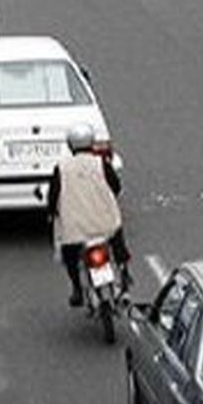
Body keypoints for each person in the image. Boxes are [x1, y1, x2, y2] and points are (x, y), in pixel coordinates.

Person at [47, 124, 131, 308]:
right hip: (105, 224)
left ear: (70, 145)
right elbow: (116, 187)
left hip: (75, 229)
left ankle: (77, 288)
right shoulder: (101, 163)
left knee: (70, 254)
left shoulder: (62, 168)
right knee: (117, 240)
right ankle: (124, 273)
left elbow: (53, 197)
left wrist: (51, 213)